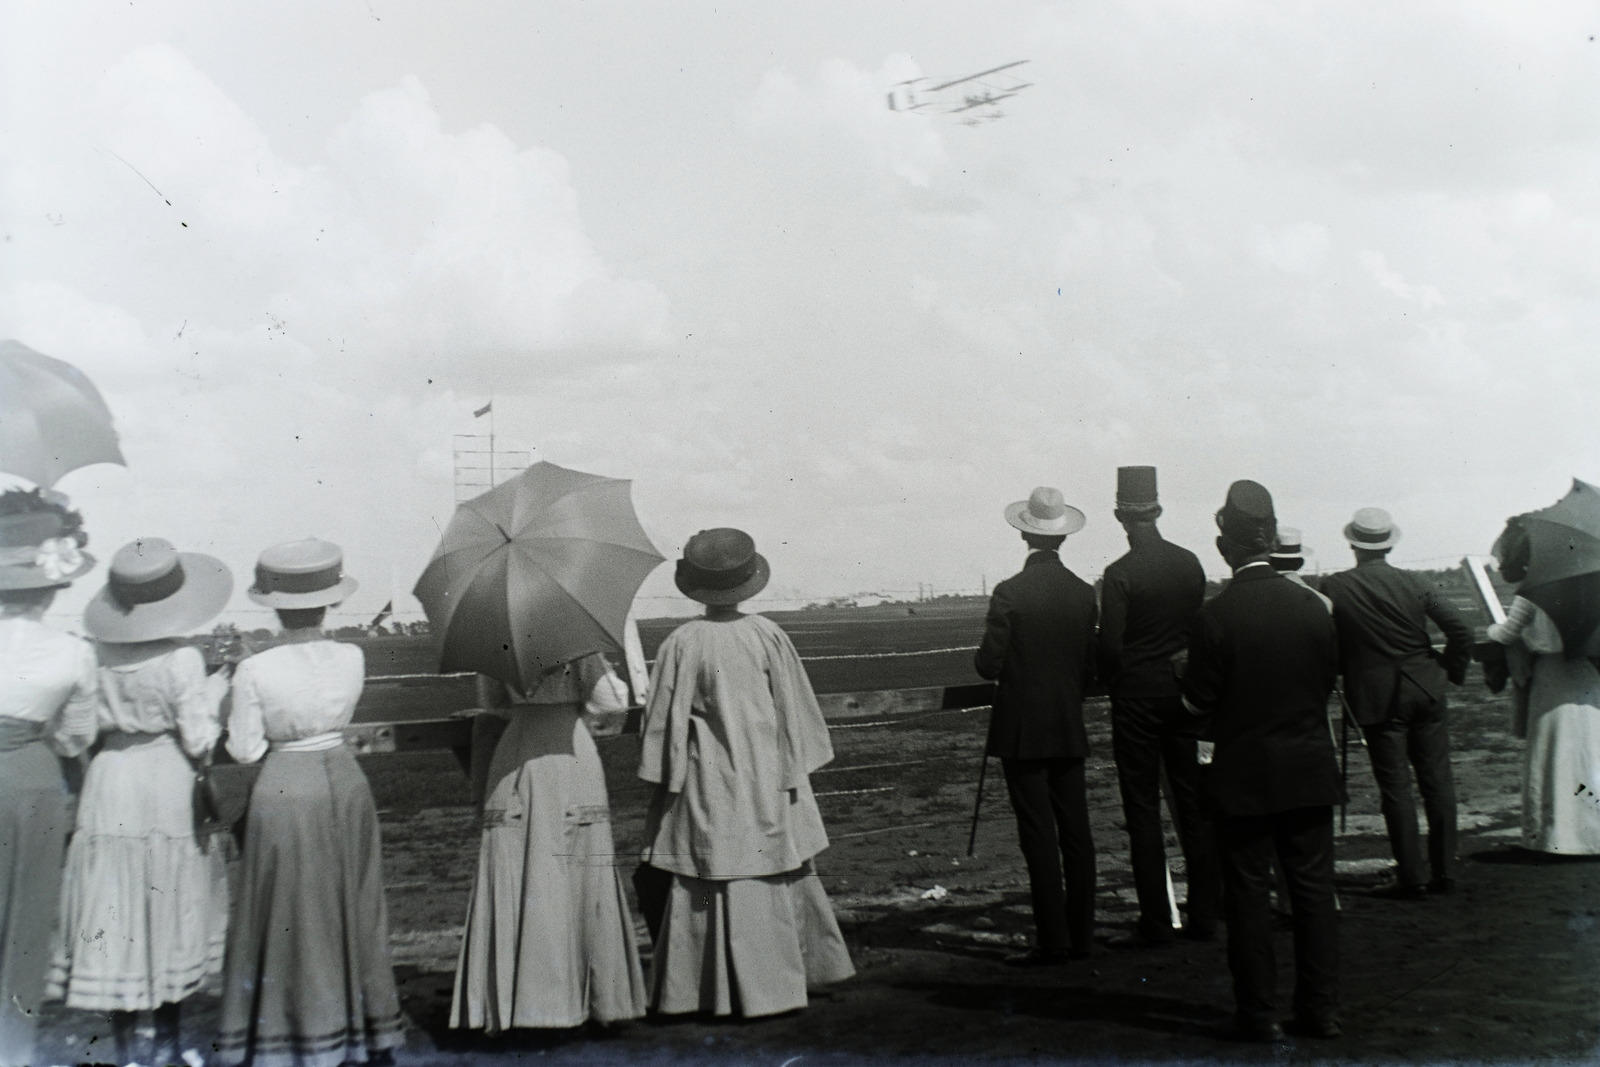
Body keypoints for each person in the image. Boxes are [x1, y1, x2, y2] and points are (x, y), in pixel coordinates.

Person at [637, 528, 854, 1017]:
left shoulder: (681, 642)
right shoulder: (767, 634)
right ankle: (779, 982)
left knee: (709, 871)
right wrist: (795, 766)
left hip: (706, 780)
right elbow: (797, 711)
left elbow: (660, 725)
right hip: (766, 778)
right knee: (772, 866)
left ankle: (702, 988)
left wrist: (661, 774)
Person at [213, 539, 405, 1067]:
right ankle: (364, 1026)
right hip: (345, 779)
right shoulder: (352, 655)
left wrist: (238, 686)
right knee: (355, 904)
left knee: (290, 912)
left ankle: (296, 1028)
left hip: (286, 785)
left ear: (274, 606)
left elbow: (245, 748)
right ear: (330, 602)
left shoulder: (255, 670)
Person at [46, 538, 234, 1067]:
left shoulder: (92, 655)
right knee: (167, 905)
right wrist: (217, 694)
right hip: (164, 781)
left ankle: (128, 1048)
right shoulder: (181, 659)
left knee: (116, 905)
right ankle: (170, 1046)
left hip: (110, 782)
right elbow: (198, 740)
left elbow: (77, 736)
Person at [1181, 480, 1343, 1042]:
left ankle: (1259, 1014)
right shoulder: (1314, 608)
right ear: (1272, 538)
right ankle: (1319, 1010)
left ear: (1226, 547)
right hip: (1308, 769)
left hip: (1243, 777)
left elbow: (1197, 703)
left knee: (1249, 896)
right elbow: (1323, 684)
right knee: (1314, 893)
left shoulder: (1215, 617)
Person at [450, 650, 647, 1031]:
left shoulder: (498, 643)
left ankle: (523, 1002)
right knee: (578, 868)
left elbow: (492, 703)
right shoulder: (579, 645)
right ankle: (589, 998)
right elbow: (611, 701)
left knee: (523, 868)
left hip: (517, 752)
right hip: (569, 749)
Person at [1320, 508, 1473, 898]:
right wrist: (1447, 670)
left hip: (1378, 698)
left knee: (1397, 789)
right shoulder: (1416, 581)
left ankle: (1412, 877)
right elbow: (1461, 629)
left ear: (1353, 544)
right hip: (1425, 688)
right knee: (1438, 783)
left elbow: (1330, 644)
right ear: (1389, 544)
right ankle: (1444, 872)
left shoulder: (1336, 586)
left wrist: (1344, 669)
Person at [974, 487, 1099, 965]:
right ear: (1062, 537)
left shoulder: (1010, 591)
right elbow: (1090, 669)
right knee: (1077, 832)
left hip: (1023, 733)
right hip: (1068, 727)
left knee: (1038, 835)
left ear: (1024, 532)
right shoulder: (1084, 592)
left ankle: (1053, 940)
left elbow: (989, 665)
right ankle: (1081, 935)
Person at [1096, 466, 1218, 947]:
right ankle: (1207, 913)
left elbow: (1110, 650)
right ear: (1159, 511)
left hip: (1136, 700)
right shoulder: (1189, 564)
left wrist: (1113, 673)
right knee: (1193, 803)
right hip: (1183, 696)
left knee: (1142, 808)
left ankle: (1157, 920)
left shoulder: (1119, 574)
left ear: (1119, 517)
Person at [0, 489, 97, 1067]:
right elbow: (74, 738)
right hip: (31, 780)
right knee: (26, 919)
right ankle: (11, 1047)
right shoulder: (70, 652)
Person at [1485, 513, 1600, 854]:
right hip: (1585, 676)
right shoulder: (1588, 590)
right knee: (1587, 752)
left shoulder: (1532, 594)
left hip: (1551, 677)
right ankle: (1592, 831)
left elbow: (1506, 634)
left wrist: (1492, 629)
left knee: (1553, 753)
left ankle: (1556, 834)